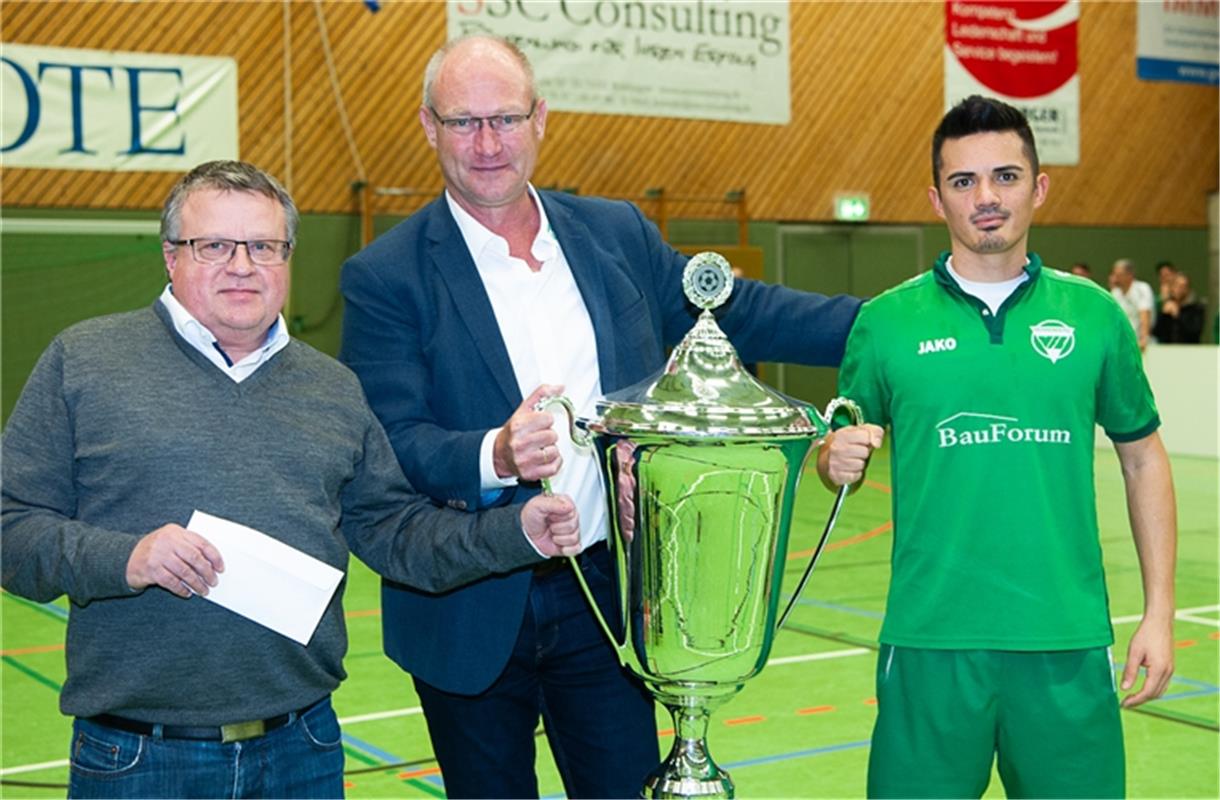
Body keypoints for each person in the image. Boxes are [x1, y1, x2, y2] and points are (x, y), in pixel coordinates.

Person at [338, 35, 862, 799]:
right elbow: (391, 443)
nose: (487, 144)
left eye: (505, 119)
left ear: (541, 119)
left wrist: (891, 325)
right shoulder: (386, 275)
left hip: (609, 600)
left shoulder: (614, 233)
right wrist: (497, 453)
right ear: (428, 127)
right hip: (470, 605)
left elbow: (736, 310)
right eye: (463, 123)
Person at [0, 160, 583, 800]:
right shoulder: (85, 361)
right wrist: (126, 557)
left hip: (301, 750)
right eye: (214, 245)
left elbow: (397, 532)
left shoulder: (331, 389)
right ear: (172, 257)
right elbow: (11, 530)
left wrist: (515, 531)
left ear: (287, 258)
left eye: (264, 247)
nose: (242, 265)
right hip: (140, 757)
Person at [819, 96, 1176, 798]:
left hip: (1066, 643)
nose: (986, 198)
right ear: (937, 198)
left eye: (1005, 177)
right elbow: (841, 452)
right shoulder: (885, 324)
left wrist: (1158, 614)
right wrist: (831, 460)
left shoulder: (1096, 317)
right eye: (963, 181)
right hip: (929, 643)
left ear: (1039, 187)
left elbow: (1143, 456)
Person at [1109, 257, 1155, 351]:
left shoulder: (1142, 288)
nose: (1116, 278)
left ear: (1129, 275)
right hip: (1122, 343)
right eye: (1115, 274)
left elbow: (1145, 314)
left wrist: (1143, 339)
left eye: (1119, 275)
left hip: (1141, 342)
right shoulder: (1115, 292)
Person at [1152, 271, 1205, 343]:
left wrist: (1178, 315)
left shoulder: (1196, 308)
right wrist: (1164, 314)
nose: (1180, 289)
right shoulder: (1167, 305)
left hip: (1189, 350)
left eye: (1183, 286)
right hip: (1166, 350)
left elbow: (1194, 332)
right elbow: (1156, 333)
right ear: (1172, 287)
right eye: (1177, 285)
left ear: (1188, 289)